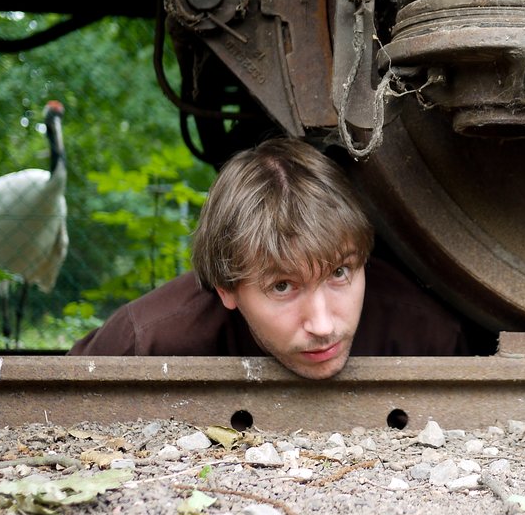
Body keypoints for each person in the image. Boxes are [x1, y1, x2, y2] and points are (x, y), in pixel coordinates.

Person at [69, 137, 469, 378]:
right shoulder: (144, 341)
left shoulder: (429, 334)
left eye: (339, 273)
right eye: (282, 286)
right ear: (227, 287)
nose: (323, 324)